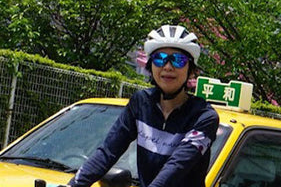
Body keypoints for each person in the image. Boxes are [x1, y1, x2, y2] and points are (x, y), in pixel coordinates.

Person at [67, 25, 220, 187]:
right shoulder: (140, 103)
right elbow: (107, 152)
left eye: (178, 60)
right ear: (150, 65)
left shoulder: (204, 116)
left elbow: (176, 167)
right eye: (160, 58)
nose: (168, 67)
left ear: (191, 70)